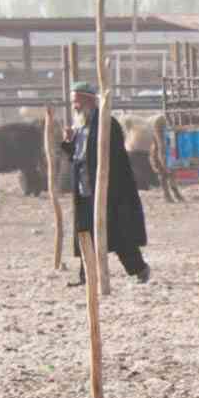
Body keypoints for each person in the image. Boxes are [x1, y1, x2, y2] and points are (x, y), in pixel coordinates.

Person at [61, 82, 149, 286]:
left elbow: (114, 158)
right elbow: (77, 157)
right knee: (85, 234)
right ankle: (87, 278)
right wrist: (68, 143)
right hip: (85, 190)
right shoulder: (80, 126)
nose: (74, 106)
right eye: (73, 102)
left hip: (109, 190)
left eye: (77, 101)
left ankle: (139, 269)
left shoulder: (107, 124)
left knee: (118, 233)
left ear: (89, 100)